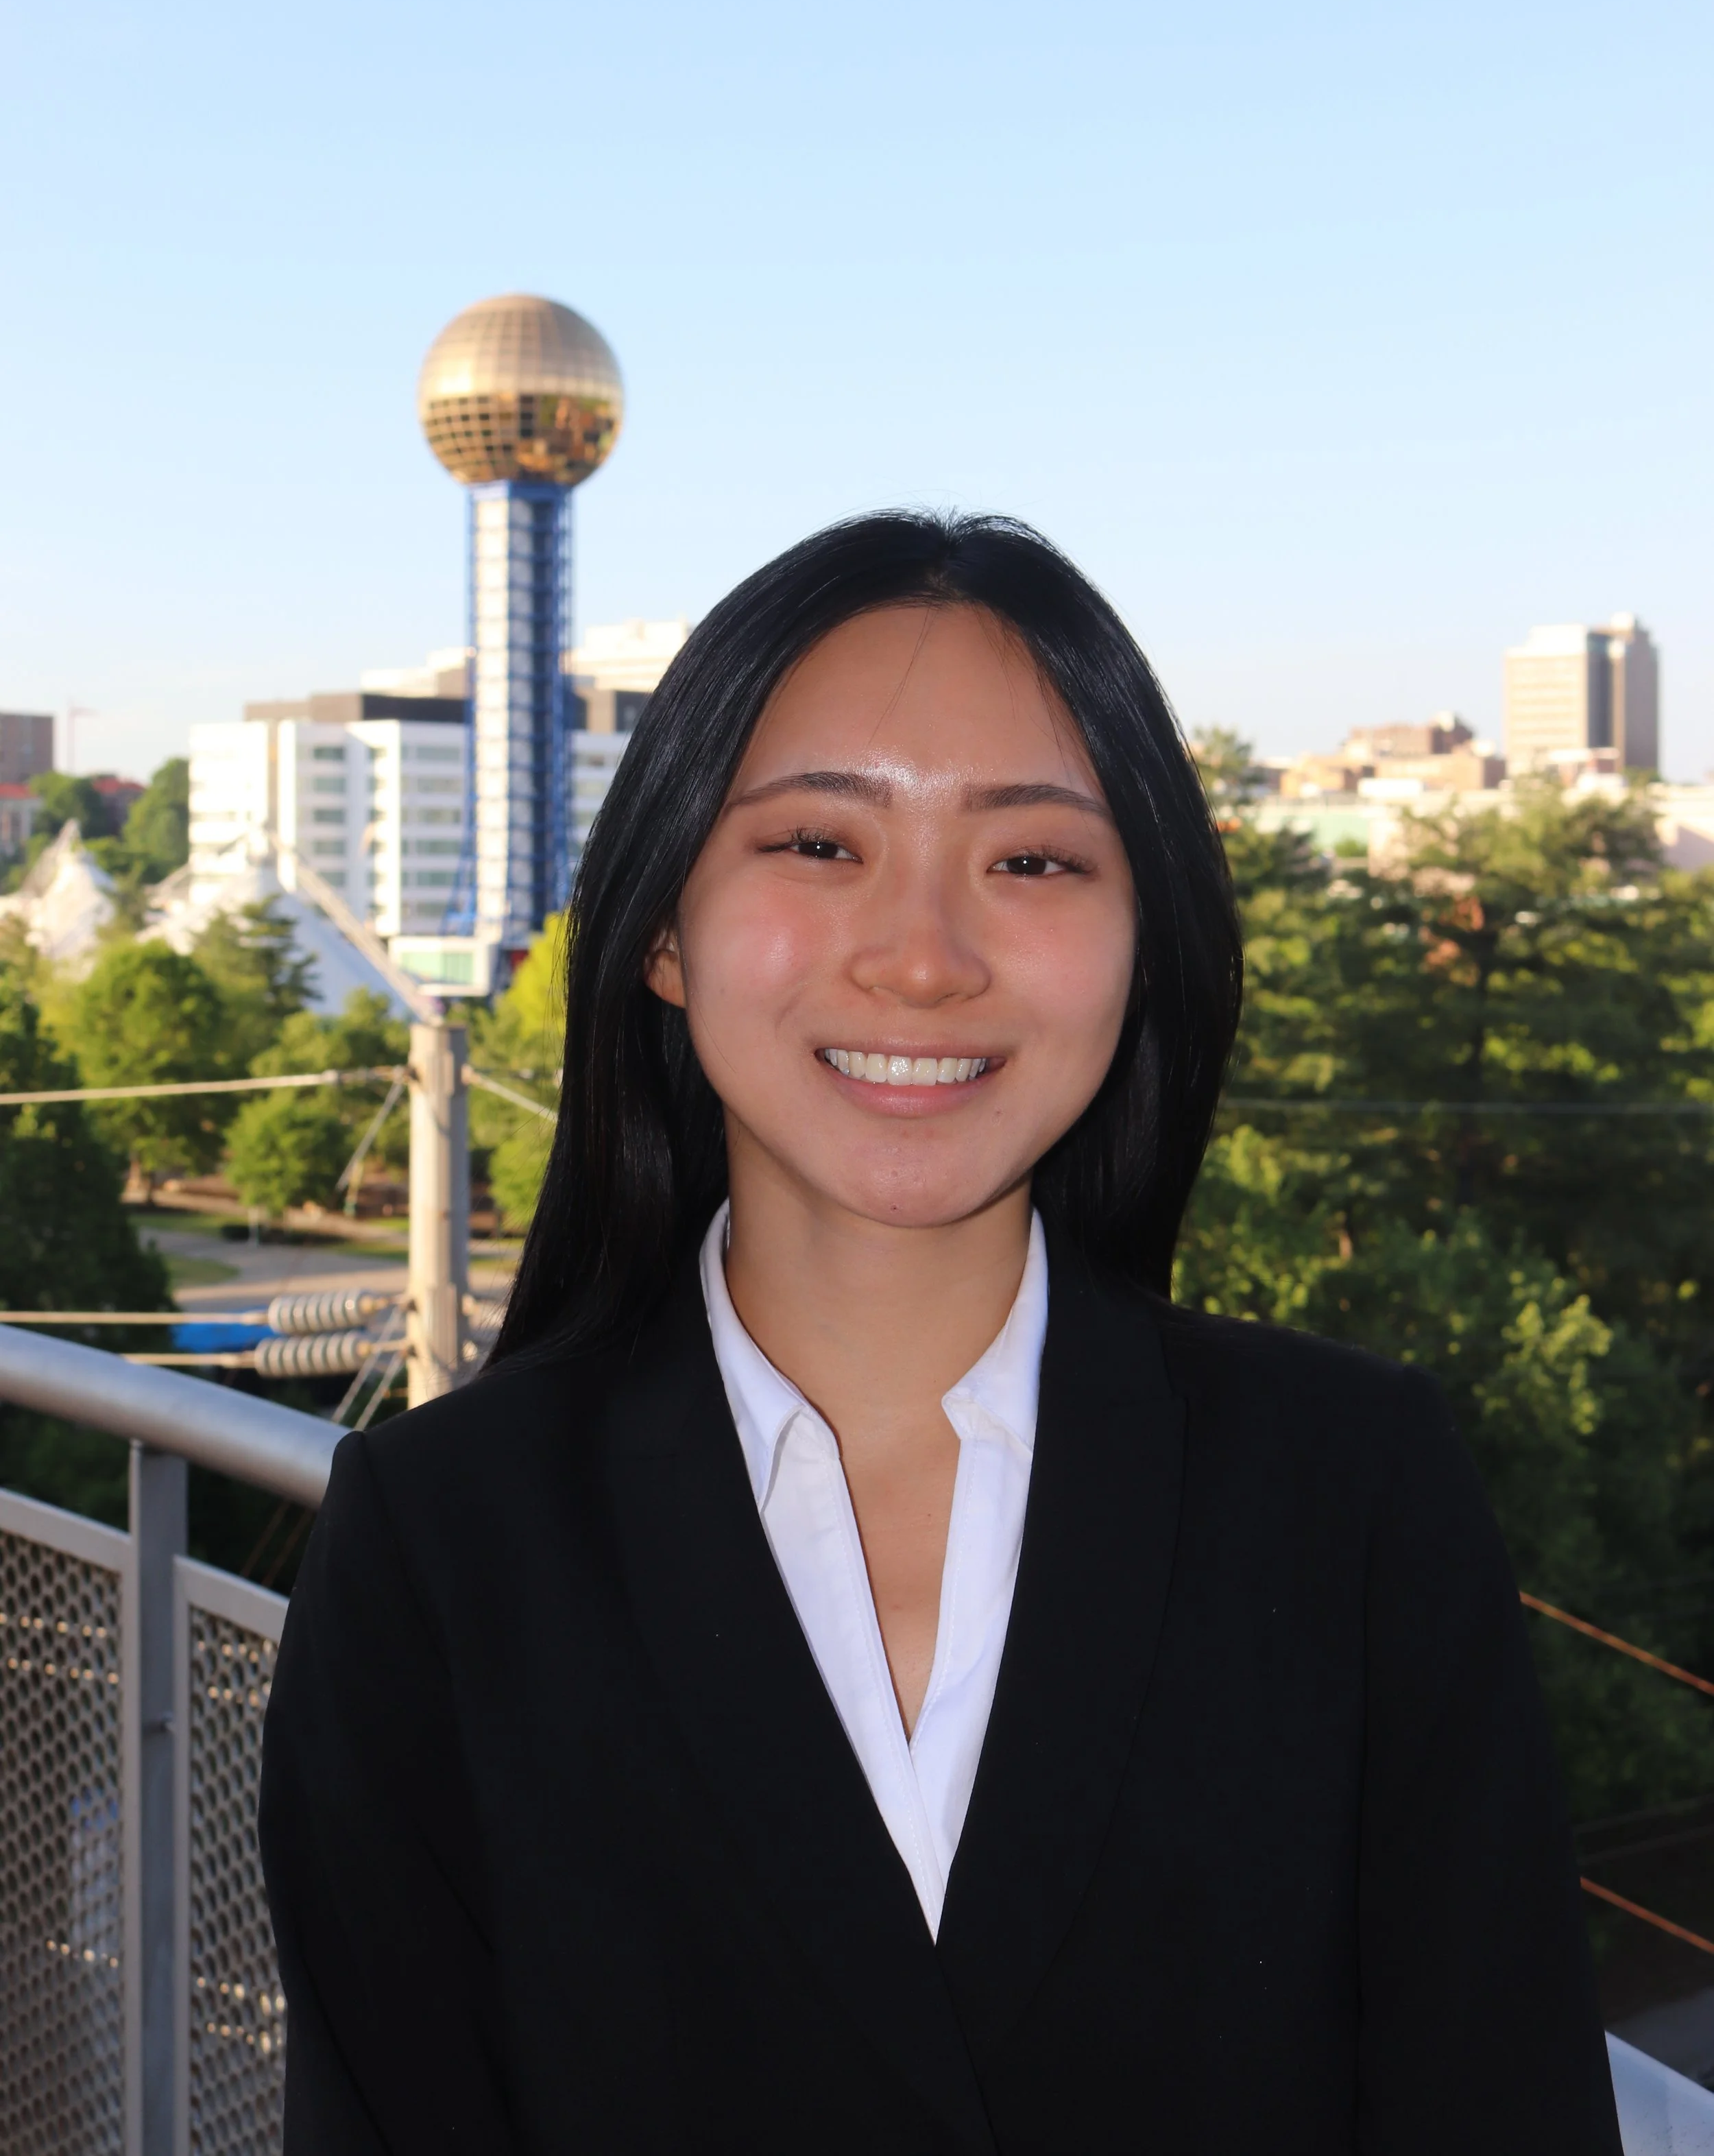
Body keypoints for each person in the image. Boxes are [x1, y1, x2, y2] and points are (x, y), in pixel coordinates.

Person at [259, 510, 1620, 2155]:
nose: (919, 960)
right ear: (665, 931)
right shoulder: (439, 1543)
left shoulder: (1350, 1495)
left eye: (1031, 861)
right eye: (817, 844)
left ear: (1143, 943)